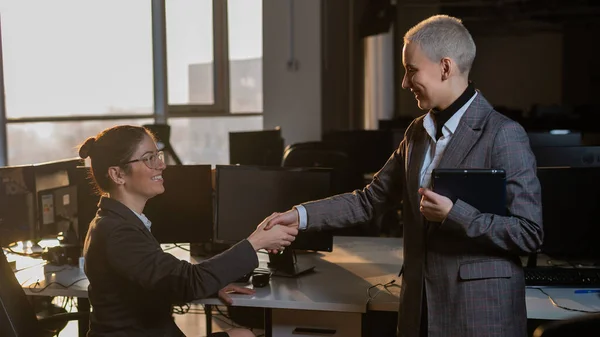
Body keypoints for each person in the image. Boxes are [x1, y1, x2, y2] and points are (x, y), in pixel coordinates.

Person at [264, 15, 543, 337]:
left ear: (445, 67)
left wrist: (455, 214)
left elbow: (528, 233)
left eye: (411, 70)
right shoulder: (416, 133)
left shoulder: (504, 135)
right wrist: (299, 216)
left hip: (479, 312)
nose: (404, 83)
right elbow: (369, 201)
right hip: (418, 309)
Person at [79, 125, 297, 337]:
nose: (161, 165)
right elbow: (187, 282)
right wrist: (255, 242)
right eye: (149, 158)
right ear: (117, 175)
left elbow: (161, 279)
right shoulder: (118, 232)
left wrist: (211, 285)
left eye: (158, 155)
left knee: (242, 334)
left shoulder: (116, 220)